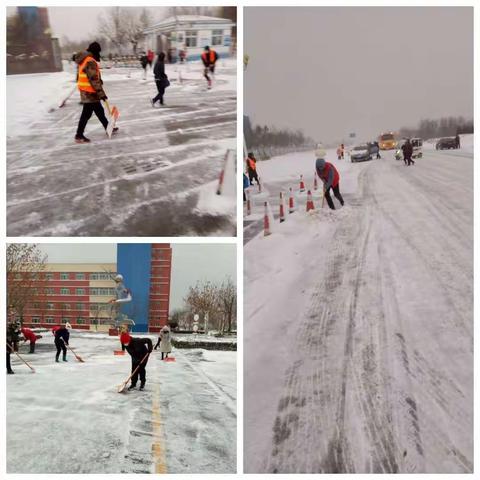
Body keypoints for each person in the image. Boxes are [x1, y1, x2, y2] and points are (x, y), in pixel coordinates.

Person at [74, 41, 117, 143]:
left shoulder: (84, 60)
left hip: (87, 91)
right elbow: (93, 79)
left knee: (99, 111)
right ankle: (79, 135)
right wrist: (101, 94)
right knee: (86, 114)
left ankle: (108, 127)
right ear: (95, 51)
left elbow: (80, 77)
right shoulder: (90, 61)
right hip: (90, 92)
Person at [315, 145, 345, 210]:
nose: (320, 169)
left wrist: (326, 186)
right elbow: (319, 175)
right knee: (326, 194)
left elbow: (331, 180)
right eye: (319, 168)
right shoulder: (317, 167)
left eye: (322, 168)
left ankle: (342, 202)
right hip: (326, 179)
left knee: (336, 194)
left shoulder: (329, 168)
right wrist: (323, 181)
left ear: (324, 165)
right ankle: (332, 208)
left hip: (334, 179)